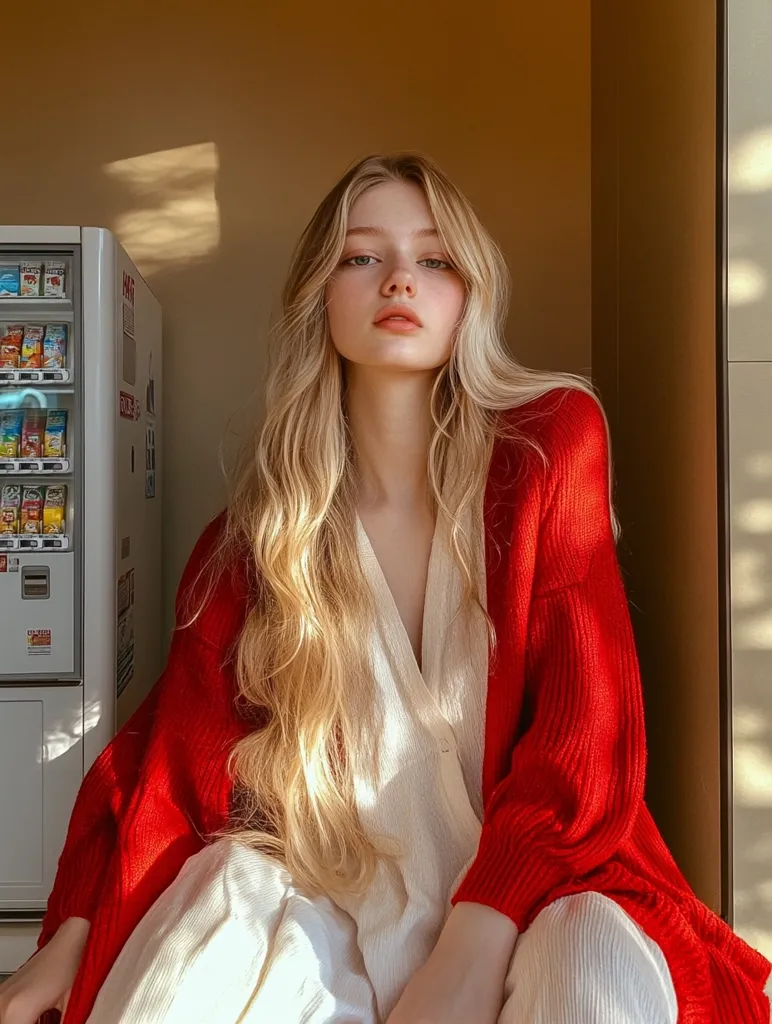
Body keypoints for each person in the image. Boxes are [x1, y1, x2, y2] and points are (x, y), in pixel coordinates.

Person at [0, 153, 770, 1024]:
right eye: (362, 256)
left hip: (551, 882)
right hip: (339, 891)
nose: (401, 276)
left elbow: (585, 739)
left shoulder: (553, 449)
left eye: (435, 259)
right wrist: (69, 934)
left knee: (594, 974)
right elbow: (170, 760)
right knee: (212, 921)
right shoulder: (260, 537)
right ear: (319, 296)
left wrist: (473, 945)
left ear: (469, 295)